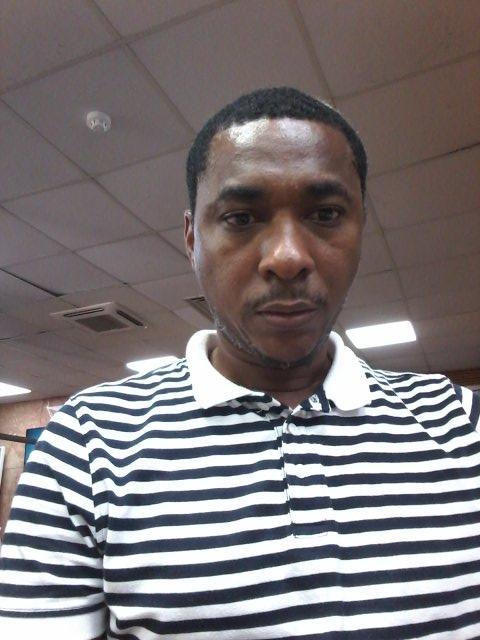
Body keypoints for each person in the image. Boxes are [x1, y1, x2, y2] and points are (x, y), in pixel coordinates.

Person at [1, 87, 479, 640]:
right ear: (191, 238)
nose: (288, 258)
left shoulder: (461, 424)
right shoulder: (86, 444)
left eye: (326, 214)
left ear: (361, 228)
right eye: (242, 217)